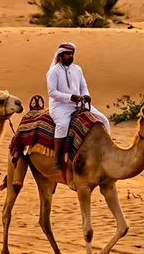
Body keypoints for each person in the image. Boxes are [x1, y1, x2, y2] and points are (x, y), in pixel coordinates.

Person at [47, 41, 110, 170]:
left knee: (104, 120)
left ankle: (107, 151)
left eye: (72, 54)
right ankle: (57, 158)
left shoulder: (77, 69)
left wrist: (85, 95)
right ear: (60, 55)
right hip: (60, 106)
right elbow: (52, 92)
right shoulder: (53, 71)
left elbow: (83, 85)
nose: (70, 56)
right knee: (63, 125)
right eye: (67, 54)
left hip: (78, 104)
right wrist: (71, 97)